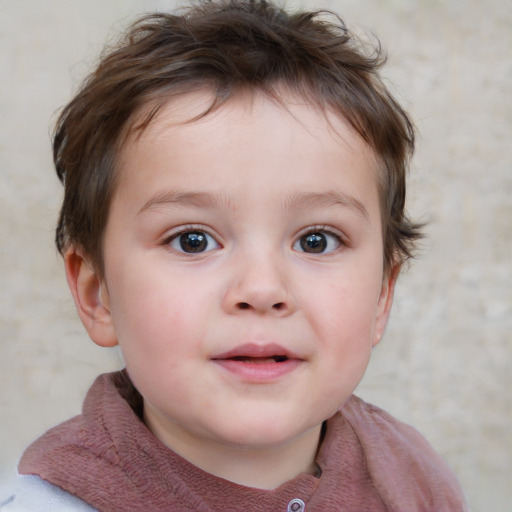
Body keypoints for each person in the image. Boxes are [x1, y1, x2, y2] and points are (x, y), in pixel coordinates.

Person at [5, 0, 468, 510]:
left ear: (381, 295)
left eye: (316, 240)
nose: (262, 290)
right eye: (193, 240)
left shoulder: (414, 480)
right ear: (99, 295)